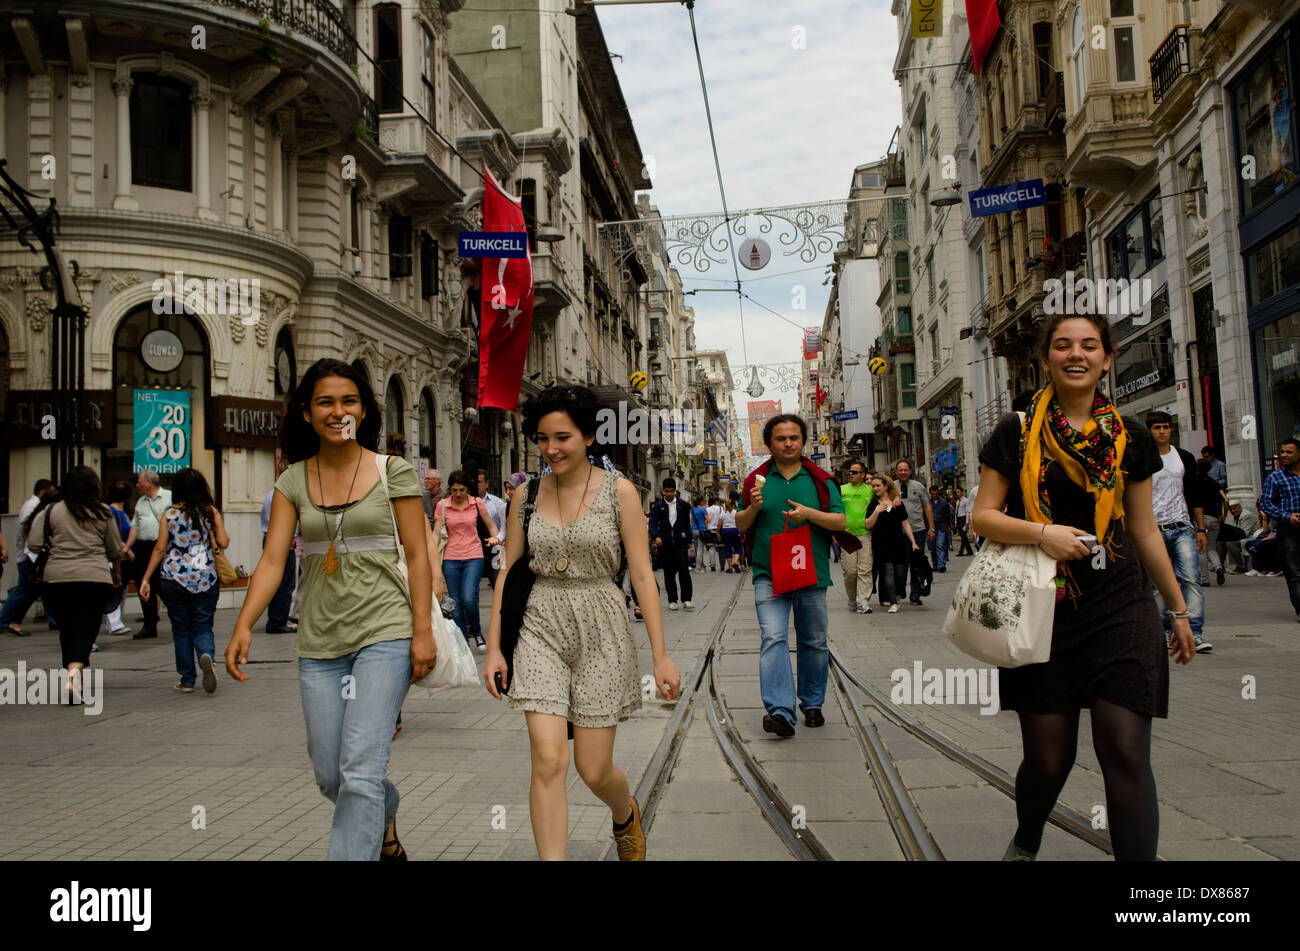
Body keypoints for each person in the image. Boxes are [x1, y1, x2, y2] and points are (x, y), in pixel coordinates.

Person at [971, 312, 1195, 862]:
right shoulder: (1016, 431)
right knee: (1050, 760)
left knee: (1124, 749)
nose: (1077, 355)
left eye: (1089, 346)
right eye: (1064, 346)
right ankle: (1027, 839)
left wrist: (1179, 608)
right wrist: (1042, 533)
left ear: (1106, 357)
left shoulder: (1132, 438)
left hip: (1120, 604)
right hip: (1043, 607)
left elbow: (1143, 528)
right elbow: (983, 516)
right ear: (1047, 358)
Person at [227, 358, 434, 861]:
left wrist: (422, 629)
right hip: (319, 642)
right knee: (330, 773)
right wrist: (243, 624)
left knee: (359, 769)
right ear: (306, 412)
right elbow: (274, 560)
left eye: (348, 401)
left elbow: (417, 553)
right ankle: (383, 813)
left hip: (385, 633)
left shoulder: (394, 472)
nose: (337, 410)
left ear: (363, 411)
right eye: (325, 401)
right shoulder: (292, 481)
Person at [482, 384, 681, 861]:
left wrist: (661, 655)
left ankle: (623, 812)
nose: (551, 449)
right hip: (539, 625)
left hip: (602, 627)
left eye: (563, 437)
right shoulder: (526, 495)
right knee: (549, 758)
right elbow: (508, 570)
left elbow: (641, 575)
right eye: (542, 439)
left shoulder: (621, 492)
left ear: (589, 437)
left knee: (594, 769)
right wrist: (493, 648)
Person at [737, 413, 849, 737]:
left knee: (813, 641)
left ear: (803, 441)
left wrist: (810, 514)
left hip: (810, 573)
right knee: (773, 636)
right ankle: (780, 711)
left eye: (794, 438)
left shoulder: (821, 481)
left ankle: (812, 702)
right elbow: (742, 523)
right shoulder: (756, 481)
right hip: (768, 573)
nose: (788, 443)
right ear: (769, 444)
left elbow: (841, 523)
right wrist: (754, 508)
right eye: (781, 439)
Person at [28, 467, 123, 704]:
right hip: (94, 578)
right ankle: (73, 673)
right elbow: (115, 549)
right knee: (87, 629)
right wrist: (117, 575)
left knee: (67, 630)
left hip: (57, 580)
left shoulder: (52, 510)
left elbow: (34, 544)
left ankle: (71, 675)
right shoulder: (103, 512)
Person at [139, 468, 231, 693]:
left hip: (173, 578)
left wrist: (146, 579)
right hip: (204, 578)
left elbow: (160, 548)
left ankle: (187, 679)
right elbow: (224, 541)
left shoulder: (169, 514)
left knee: (180, 628)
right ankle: (206, 653)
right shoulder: (210, 512)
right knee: (202, 624)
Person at [1145, 411, 1212, 653]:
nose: (1162, 431)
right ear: (1149, 431)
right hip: (1152, 530)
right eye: (1156, 428)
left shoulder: (1183, 457)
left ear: (1172, 429)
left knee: (1191, 579)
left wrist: (1201, 528)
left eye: (1165, 427)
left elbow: (1193, 494)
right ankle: (1165, 630)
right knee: (1157, 584)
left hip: (1182, 527)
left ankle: (1195, 632)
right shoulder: (1143, 458)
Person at [433, 470, 499, 652]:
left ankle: (476, 631)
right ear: (450, 490)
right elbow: (436, 533)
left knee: (469, 597)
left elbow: (491, 525)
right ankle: (463, 640)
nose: (458, 494)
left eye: (462, 490)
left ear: (467, 489)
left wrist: (499, 544)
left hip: (474, 555)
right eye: (454, 490)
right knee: (454, 602)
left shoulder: (476, 503)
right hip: (451, 558)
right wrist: (431, 555)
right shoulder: (442, 506)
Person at [0, 479, 56, 636]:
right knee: (25, 590)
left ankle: (13, 621)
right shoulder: (34, 508)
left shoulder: (35, 508)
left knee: (37, 590)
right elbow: (29, 534)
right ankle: (5, 621)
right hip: (30, 556)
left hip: (31, 555)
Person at [864, 474, 918, 614]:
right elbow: (868, 525)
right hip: (881, 544)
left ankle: (898, 594)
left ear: (886, 486)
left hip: (898, 543)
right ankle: (893, 602)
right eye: (873, 486)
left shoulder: (897, 503)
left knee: (900, 575)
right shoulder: (873, 504)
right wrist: (876, 512)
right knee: (887, 574)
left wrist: (913, 542)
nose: (875, 488)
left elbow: (905, 524)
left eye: (878, 486)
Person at [127, 468, 172, 640]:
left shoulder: (169, 496)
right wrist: (127, 547)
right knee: (143, 584)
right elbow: (135, 526)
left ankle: (179, 618)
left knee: (162, 584)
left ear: (150, 483)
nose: (137, 485)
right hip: (143, 547)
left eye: (140, 481)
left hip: (162, 546)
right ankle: (149, 625)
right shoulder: (141, 502)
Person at [1259, 438, 1300, 619]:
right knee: (1293, 571)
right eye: (1282, 452)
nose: (1283, 455)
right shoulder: (1275, 477)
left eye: (1288, 452)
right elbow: (1266, 504)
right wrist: (1287, 517)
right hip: (1288, 530)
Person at [648, 478, 694, 610]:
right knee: (668, 572)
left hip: (681, 541)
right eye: (666, 491)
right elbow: (652, 523)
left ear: (675, 491)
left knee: (683, 568)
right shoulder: (658, 506)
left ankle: (687, 599)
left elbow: (686, 524)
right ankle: (672, 599)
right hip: (665, 542)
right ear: (663, 491)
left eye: (671, 491)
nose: (668, 494)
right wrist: (656, 536)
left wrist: (689, 540)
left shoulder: (683, 505)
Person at [894, 459, 934, 605]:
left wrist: (931, 528)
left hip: (918, 530)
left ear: (910, 471)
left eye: (905, 470)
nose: (903, 472)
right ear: (896, 472)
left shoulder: (919, 486)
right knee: (901, 564)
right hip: (898, 533)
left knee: (916, 563)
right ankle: (900, 590)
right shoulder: (891, 487)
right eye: (900, 470)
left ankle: (915, 594)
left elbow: (927, 507)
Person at [260, 483, 298, 633]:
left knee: (283, 582)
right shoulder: (280, 497)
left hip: (277, 538)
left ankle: (278, 619)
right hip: (281, 540)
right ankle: (277, 621)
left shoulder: (273, 495)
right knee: (284, 583)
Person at [839, 461, 875, 613]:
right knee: (850, 571)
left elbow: (887, 493)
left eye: (854, 472)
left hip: (865, 535)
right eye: (850, 472)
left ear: (863, 475)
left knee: (865, 569)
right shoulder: (842, 489)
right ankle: (852, 598)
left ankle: (863, 601)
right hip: (847, 536)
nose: (850, 474)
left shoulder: (870, 490)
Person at [102, 481, 135, 637]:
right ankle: (114, 621)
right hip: (117, 555)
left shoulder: (123, 512)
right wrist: (125, 549)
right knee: (116, 588)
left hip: (123, 555)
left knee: (122, 589)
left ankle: (116, 620)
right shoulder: (112, 511)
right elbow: (112, 533)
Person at [478, 471, 508, 589]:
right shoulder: (469, 503)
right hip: (475, 548)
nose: (477, 485)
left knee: (497, 583)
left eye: (480, 482)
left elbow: (503, 527)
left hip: (494, 548)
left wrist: (500, 542)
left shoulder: (497, 503)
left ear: (486, 484)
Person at [1219, 499, 1257, 573]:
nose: (1233, 511)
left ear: (1240, 507)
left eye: (1234, 508)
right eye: (1231, 510)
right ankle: (1220, 566)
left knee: (1231, 543)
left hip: (1250, 537)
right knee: (1221, 541)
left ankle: (1241, 566)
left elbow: (1244, 533)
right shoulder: (1236, 516)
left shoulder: (1246, 515)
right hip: (1242, 537)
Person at [929, 486, 954, 573]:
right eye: (933, 494)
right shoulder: (928, 503)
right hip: (931, 528)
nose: (934, 495)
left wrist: (949, 525)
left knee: (940, 545)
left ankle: (941, 564)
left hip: (941, 527)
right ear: (930, 494)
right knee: (933, 547)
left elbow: (948, 515)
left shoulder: (943, 503)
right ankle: (935, 565)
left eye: (936, 493)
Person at [720, 494, 742, 572]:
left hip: (725, 531)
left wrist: (718, 533)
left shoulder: (723, 513)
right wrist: (739, 531)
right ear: (733, 505)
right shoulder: (736, 512)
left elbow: (719, 524)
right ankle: (735, 563)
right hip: (734, 530)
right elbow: (739, 522)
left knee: (728, 549)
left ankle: (730, 567)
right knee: (737, 548)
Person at [690, 498, 711, 572]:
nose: (704, 502)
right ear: (701, 502)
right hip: (701, 531)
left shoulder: (692, 510)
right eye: (704, 501)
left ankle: (702, 565)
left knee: (696, 549)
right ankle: (698, 568)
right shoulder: (703, 509)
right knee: (700, 550)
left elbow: (691, 521)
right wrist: (711, 516)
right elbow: (708, 520)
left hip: (693, 530)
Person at [955, 486, 974, 556]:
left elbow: (967, 511)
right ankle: (970, 551)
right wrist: (956, 521)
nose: (957, 493)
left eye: (958, 492)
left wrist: (967, 522)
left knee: (963, 536)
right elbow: (956, 512)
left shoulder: (966, 500)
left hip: (963, 518)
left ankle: (961, 551)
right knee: (963, 536)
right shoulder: (957, 501)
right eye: (956, 492)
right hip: (959, 518)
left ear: (962, 492)